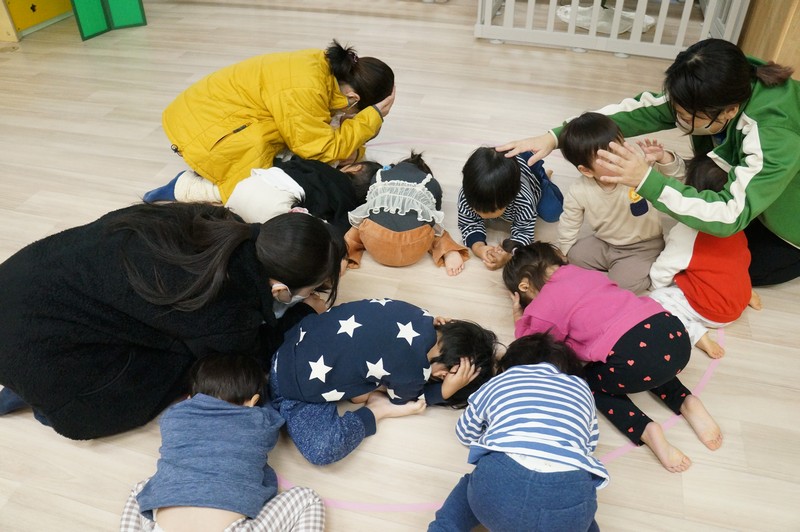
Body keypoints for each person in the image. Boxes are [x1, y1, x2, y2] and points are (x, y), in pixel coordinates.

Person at [0, 204, 342, 439]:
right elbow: (250, 356)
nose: (312, 294)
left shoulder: (213, 220)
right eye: (310, 290)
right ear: (280, 289)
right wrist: (305, 312)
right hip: (34, 343)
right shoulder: (227, 302)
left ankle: (28, 381)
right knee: (189, 364)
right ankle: (40, 396)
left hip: (20, 285)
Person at [498, 38, 800, 286]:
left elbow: (729, 215)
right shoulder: (724, 83)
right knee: (696, 226)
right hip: (752, 188)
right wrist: (555, 136)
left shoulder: (773, 135)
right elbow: (640, 111)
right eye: (677, 112)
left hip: (788, 224)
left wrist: (647, 180)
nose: (677, 119)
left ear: (730, 111)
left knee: (720, 269)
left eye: (685, 117)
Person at [503, 242, 723, 473]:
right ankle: (686, 401)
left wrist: (519, 318)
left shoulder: (544, 303)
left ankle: (644, 429)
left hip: (636, 362)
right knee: (648, 354)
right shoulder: (586, 273)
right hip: (674, 336)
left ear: (524, 286)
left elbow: (534, 344)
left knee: (586, 380)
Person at [143, 39, 396, 205]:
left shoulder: (322, 69)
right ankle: (185, 187)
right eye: (358, 112)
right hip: (204, 134)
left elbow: (322, 128)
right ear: (354, 99)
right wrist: (371, 120)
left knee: (309, 150)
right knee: (264, 190)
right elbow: (319, 149)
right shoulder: (306, 90)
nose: (351, 116)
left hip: (208, 116)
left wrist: (359, 134)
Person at [269, 298, 499, 465]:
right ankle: (377, 409)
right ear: (443, 375)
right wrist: (444, 392)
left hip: (294, 340)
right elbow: (407, 399)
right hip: (291, 389)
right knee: (323, 450)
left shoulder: (418, 313)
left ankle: (362, 388)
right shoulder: (414, 371)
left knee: (364, 365)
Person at [119, 353, 325, 532]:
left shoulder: (173, 417)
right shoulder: (260, 421)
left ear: (189, 399)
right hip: (229, 528)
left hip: (164, 527)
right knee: (308, 499)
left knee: (141, 489)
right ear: (253, 402)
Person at [428, 333, 609, 532]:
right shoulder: (582, 389)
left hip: (499, 485)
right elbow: (588, 446)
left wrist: (494, 432)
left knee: (466, 493)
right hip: (570, 494)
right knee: (581, 519)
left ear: (507, 365)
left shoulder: (502, 380)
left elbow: (465, 432)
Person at [649, 153, 761, 359]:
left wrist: (658, 286)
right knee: (729, 266)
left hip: (713, 311)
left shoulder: (688, 232)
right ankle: (747, 295)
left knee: (655, 301)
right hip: (737, 297)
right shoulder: (735, 224)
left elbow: (665, 267)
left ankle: (696, 334)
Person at [557, 112, 680, 293]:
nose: (619, 159)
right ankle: (619, 266)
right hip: (605, 242)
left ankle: (645, 269)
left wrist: (663, 159)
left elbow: (676, 179)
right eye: (609, 159)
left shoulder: (638, 169)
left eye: (621, 149)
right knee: (574, 255)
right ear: (587, 171)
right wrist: (565, 251)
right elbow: (569, 222)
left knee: (622, 285)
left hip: (643, 246)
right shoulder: (579, 190)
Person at [345, 152, 470, 276]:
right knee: (434, 227)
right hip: (414, 247)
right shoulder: (431, 183)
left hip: (375, 242)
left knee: (359, 222)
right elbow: (436, 212)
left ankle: (345, 254)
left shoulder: (378, 176)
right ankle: (447, 250)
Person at [226, 157, 382, 237]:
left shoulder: (318, 165)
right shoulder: (348, 203)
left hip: (245, 187)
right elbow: (340, 230)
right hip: (272, 212)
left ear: (357, 167)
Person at [458, 147, 547, 271]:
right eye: (476, 208)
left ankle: (543, 177)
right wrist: (478, 248)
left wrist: (509, 255)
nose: (482, 215)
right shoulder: (467, 195)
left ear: (510, 199)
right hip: (509, 170)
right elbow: (468, 224)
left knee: (551, 212)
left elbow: (524, 232)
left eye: (491, 210)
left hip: (531, 175)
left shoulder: (524, 201)